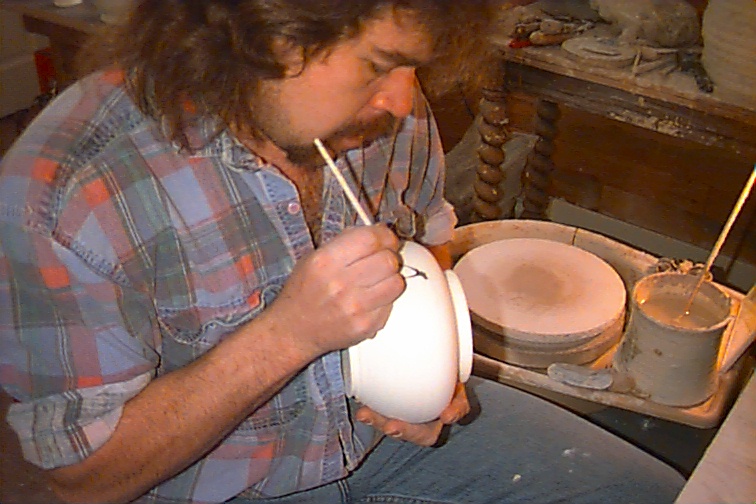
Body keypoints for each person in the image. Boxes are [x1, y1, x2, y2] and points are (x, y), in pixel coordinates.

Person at [0, 1, 686, 503]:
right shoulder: (68, 195)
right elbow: (84, 477)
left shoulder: (385, 113)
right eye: (378, 66)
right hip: (217, 485)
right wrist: (288, 335)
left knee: (650, 492)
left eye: (413, 65)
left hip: (372, 434)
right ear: (259, 30)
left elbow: (432, 241)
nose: (403, 99)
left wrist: (434, 376)